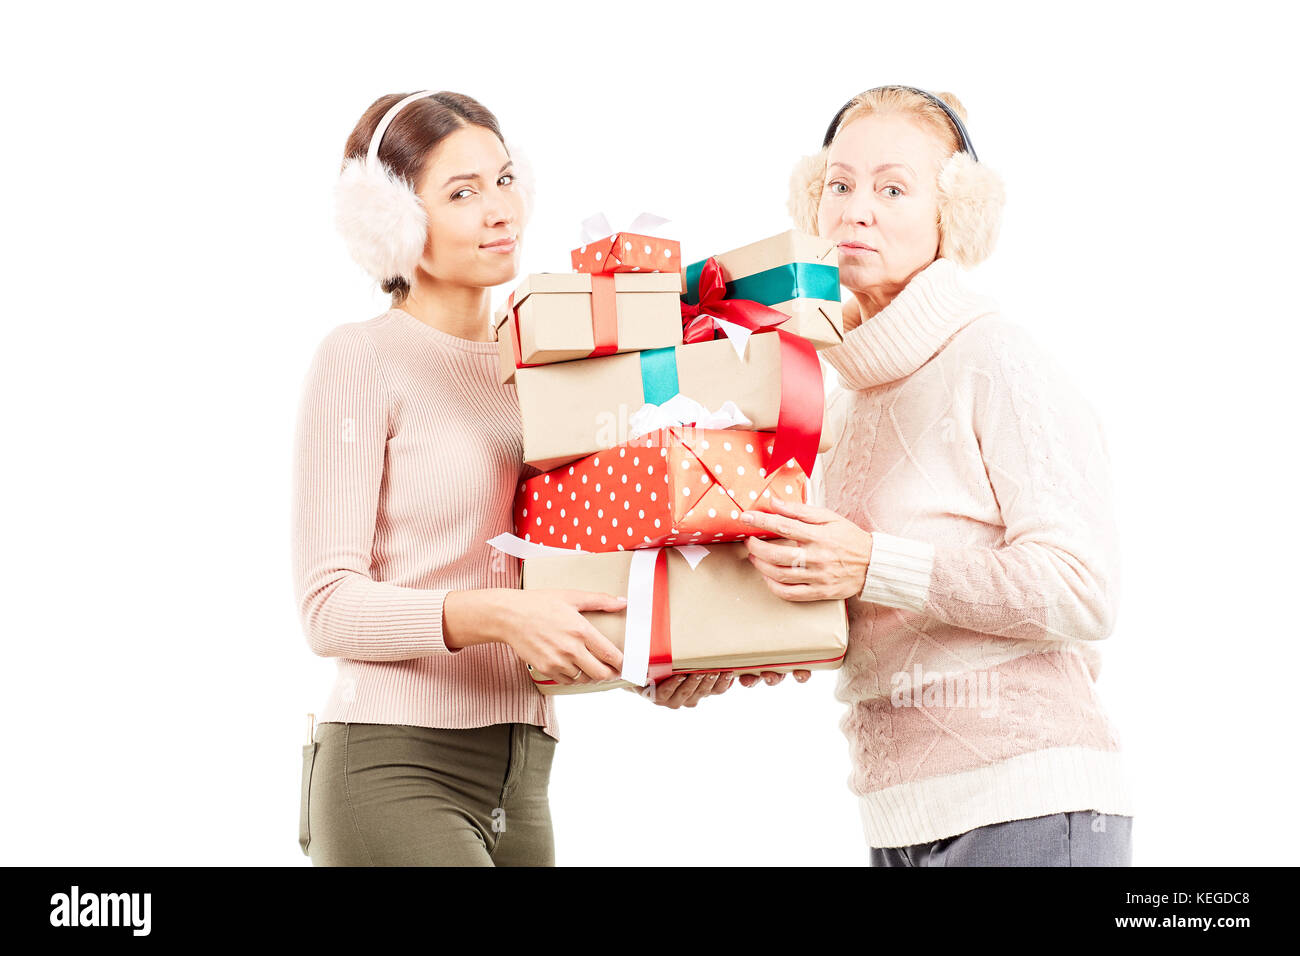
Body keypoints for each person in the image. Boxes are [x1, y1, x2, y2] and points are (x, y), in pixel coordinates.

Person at [292, 90, 727, 867]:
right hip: (393, 765)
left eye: (503, 179)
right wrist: (499, 615)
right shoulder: (361, 357)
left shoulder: (540, 366)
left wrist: (656, 656)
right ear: (393, 222)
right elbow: (329, 608)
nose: (501, 210)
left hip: (523, 779)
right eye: (462, 193)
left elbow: (564, 574)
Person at [740, 85, 1134, 866]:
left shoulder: (994, 358)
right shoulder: (830, 394)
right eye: (839, 185)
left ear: (953, 218)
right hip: (897, 818)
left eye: (892, 188)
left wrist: (871, 560)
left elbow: (1083, 588)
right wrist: (723, 650)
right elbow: (866, 606)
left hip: (1028, 801)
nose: (856, 210)